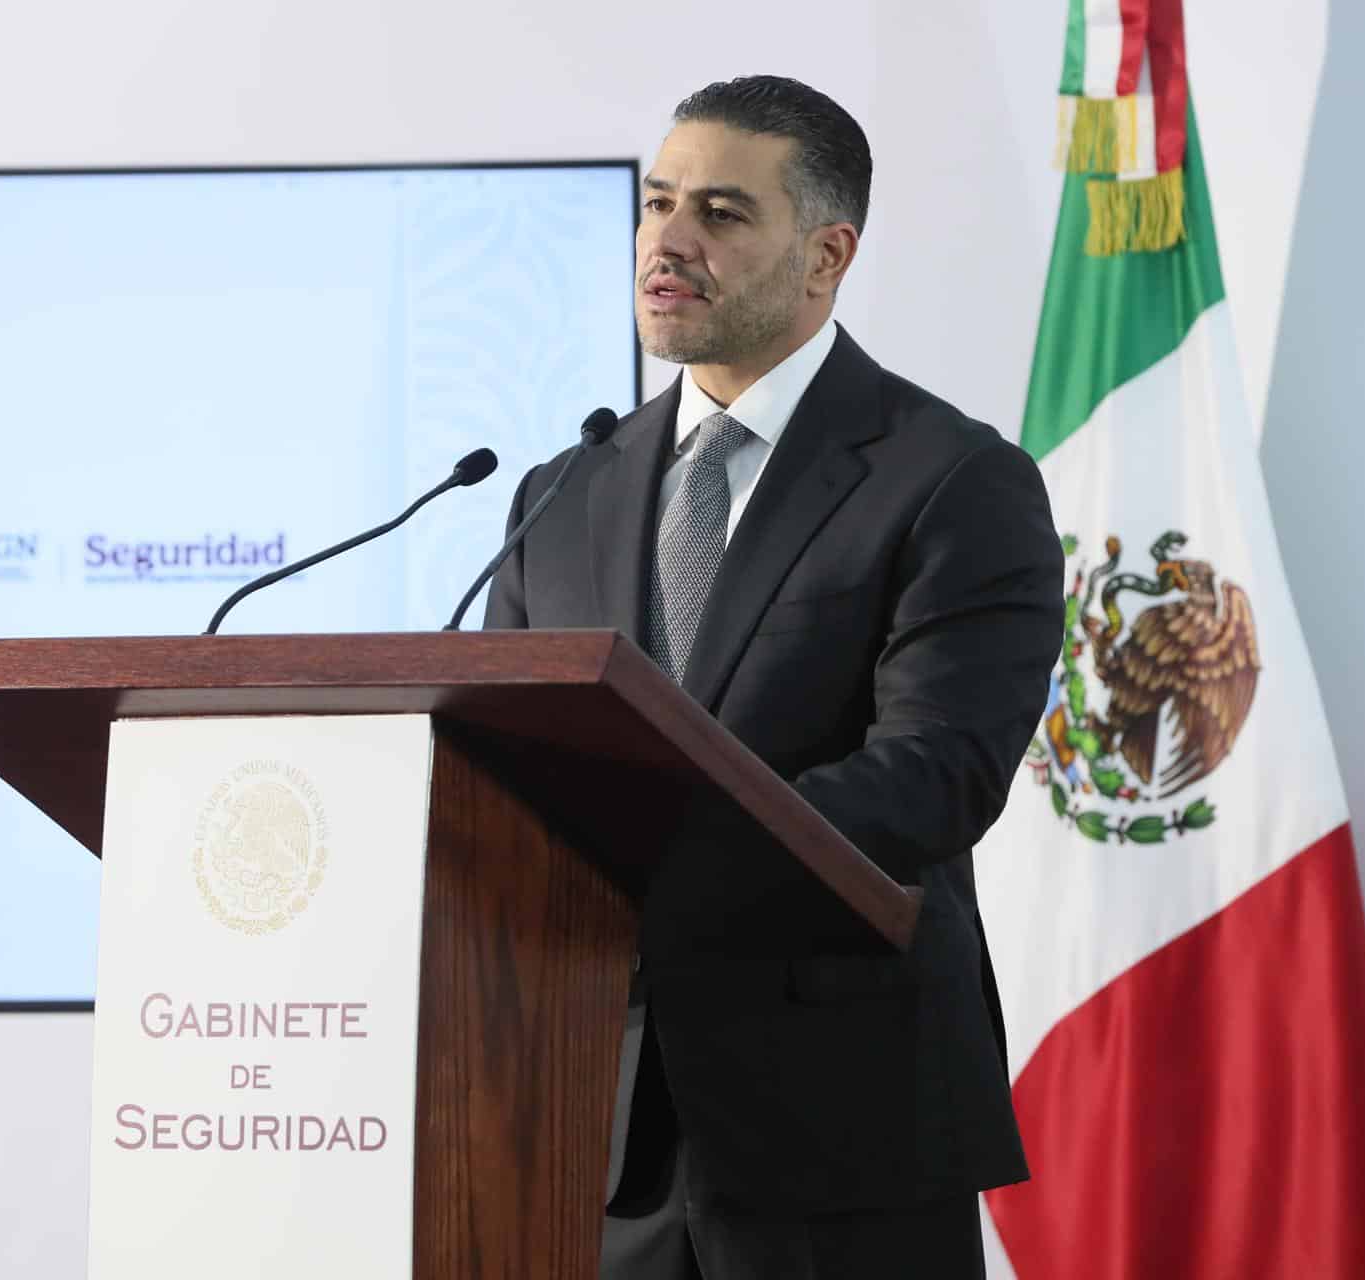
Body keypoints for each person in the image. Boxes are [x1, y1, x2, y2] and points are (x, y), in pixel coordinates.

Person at [483, 75, 1063, 1280]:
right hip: (591, 1128)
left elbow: (937, 773)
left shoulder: (951, 478)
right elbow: (501, 758)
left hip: (839, 1129)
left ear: (826, 253)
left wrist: (657, 849)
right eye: (656, 204)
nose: (668, 241)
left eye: (722, 212)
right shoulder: (561, 489)